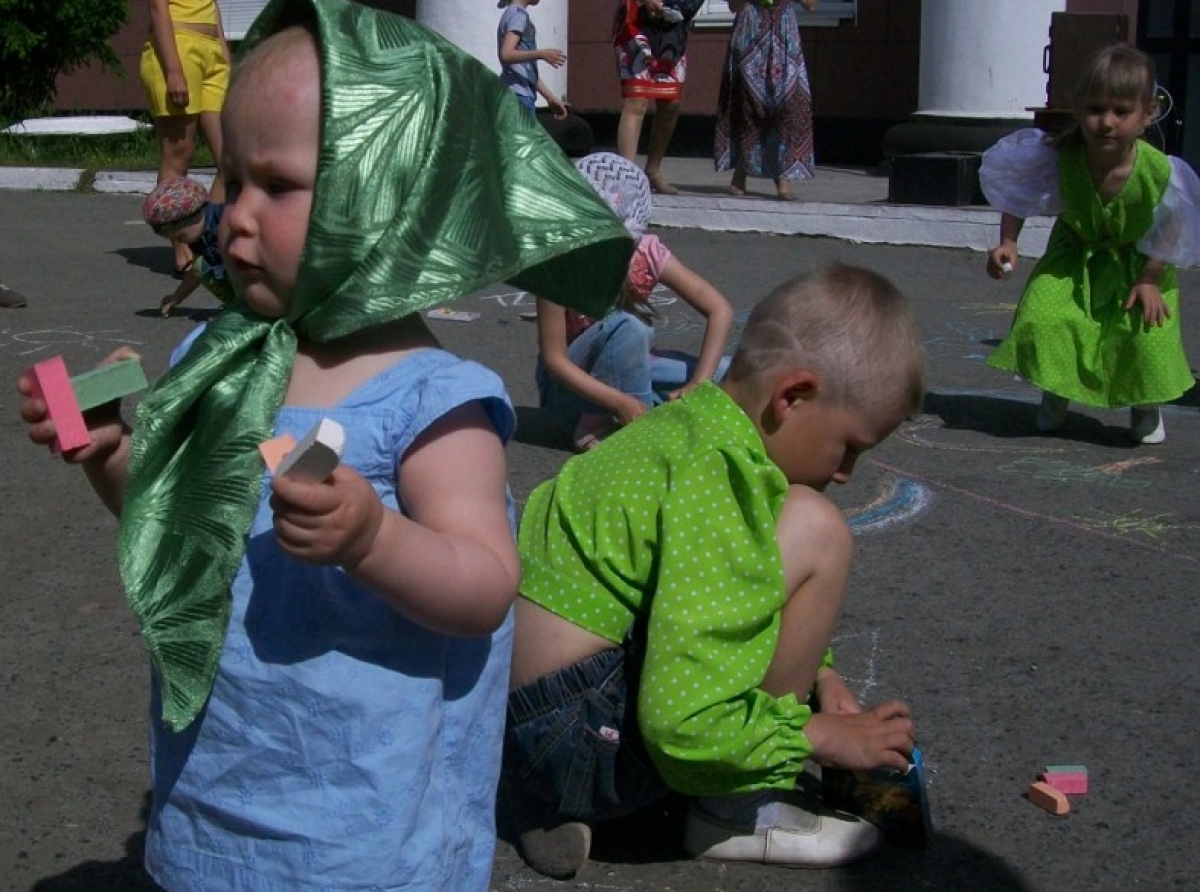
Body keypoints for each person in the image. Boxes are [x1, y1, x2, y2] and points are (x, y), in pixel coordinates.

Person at [18, 0, 633, 888]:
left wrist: (374, 539)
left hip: (364, 827)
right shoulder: (218, 353)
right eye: (232, 181)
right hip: (222, 785)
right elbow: (177, 523)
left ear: (385, 195)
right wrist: (112, 453)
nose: (232, 215)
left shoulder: (432, 402)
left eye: (276, 185)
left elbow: (484, 587)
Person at [502, 263, 926, 878]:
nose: (845, 475)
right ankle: (732, 807)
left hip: (520, 727)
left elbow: (704, 593)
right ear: (792, 397)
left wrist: (819, 679)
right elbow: (679, 724)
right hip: (583, 736)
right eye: (850, 448)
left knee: (776, 537)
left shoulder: (685, 425)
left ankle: (547, 801)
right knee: (817, 528)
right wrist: (813, 734)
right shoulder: (720, 476)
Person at [982, 44, 1200, 444]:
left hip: (1139, 260)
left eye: (1121, 111)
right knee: (1046, 317)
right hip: (1075, 251)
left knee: (1143, 329)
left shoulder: (1159, 170)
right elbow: (1019, 192)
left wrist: (1151, 277)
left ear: (1147, 113)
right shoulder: (1061, 155)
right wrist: (1008, 242)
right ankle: (1056, 390)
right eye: (1096, 109)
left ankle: (1145, 402)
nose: (1106, 122)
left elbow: (1173, 223)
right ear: (1079, 109)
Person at [535, 151, 734, 451]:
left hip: (622, 371)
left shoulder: (646, 252)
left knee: (725, 372)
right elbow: (554, 361)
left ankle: (645, 412)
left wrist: (698, 384)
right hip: (567, 392)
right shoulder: (558, 260)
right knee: (628, 326)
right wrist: (618, 400)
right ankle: (603, 425)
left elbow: (719, 309)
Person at [140, 0, 232, 273]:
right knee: (178, 154)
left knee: (231, 159)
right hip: (177, 47)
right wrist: (174, 70)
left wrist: (224, 55)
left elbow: (212, 5)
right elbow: (158, 7)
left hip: (211, 51)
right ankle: (181, 244)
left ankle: (208, 236)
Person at [714, 0, 818, 201]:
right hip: (750, 29)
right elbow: (733, 6)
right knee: (746, 102)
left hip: (784, 31)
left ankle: (783, 175)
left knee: (788, 104)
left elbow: (811, 5)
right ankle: (741, 170)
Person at [612, 0, 704, 195]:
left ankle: (653, 170)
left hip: (672, 29)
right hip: (636, 25)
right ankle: (626, 176)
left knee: (671, 103)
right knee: (637, 100)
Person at [141, 175, 233, 316]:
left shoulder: (228, 223)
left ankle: (255, 309)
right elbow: (196, 272)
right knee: (201, 266)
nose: (181, 243)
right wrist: (177, 297)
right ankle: (237, 305)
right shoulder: (199, 235)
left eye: (180, 237)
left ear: (194, 216)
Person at [497, 0, 568, 119]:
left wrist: (550, 98)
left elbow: (526, 71)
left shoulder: (513, 13)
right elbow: (506, 54)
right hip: (518, 99)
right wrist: (541, 54)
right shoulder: (518, 15)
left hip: (518, 96)